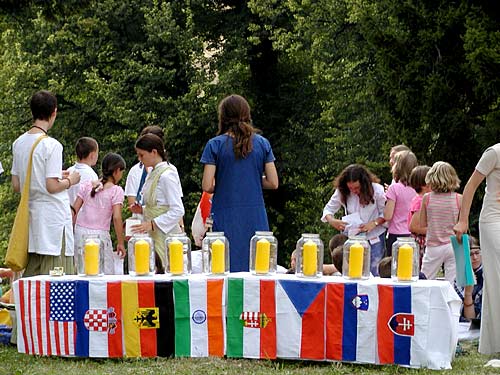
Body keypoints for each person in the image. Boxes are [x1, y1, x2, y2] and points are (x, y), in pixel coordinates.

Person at [201, 94, 279, 272]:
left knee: (224, 266)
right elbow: (273, 182)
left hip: (225, 213)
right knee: (257, 266)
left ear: (223, 117)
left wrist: (224, 182)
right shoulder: (262, 143)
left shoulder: (214, 145)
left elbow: (207, 185)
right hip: (255, 214)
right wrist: (251, 179)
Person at [11, 90, 80, 277]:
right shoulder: (52, 145)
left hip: (32, 217)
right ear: (54, 112)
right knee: (57, 278)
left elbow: (17, 184)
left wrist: (54, 176)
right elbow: (51, 187)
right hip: (53, 219)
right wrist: (69, 180)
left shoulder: (18, 143)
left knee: (33, 277)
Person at [453, 144, 500, 354]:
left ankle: (493, 342)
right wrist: (462, 221)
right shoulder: (494, 153)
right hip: (493, 220)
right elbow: (471, 186)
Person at [322, 164, 386, 276]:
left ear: (364, 183)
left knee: (374, 270)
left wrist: (374, 223)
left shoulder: (377, 190)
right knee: (352, 270)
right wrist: (332, 221)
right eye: (350, 188)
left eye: (357, 188)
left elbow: (386, 213)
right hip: (352, 237)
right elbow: (328, 210)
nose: (354, 191)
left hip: (374, 236)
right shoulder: (342, 191)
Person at [131, 134, 185, 267]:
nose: (140, 159)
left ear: (154, 152)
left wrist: (153, 224)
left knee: (168, 267)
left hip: (166, 234)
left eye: (142, 155)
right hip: (155, 233)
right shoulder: (152, 173)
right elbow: (159, 205)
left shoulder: (167, 175)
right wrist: (142, 210)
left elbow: (178, 210)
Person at [73, 153, 126, 275]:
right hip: (100, 235)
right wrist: (121, 242)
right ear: (117, 171)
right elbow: (117, 217)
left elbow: (74, 209)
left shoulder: (87, 185)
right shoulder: (116, 191)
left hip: (80, 232)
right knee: (104, 271)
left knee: (83, 270)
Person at [420, 161, 461, 282]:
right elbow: (462, 224)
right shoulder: (459, 198)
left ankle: (424, 301)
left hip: (433, 245)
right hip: (453, 244)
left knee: (426, 280)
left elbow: (423, 223)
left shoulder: (427, 198)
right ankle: (451, 301)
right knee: (452, 282)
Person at [384, 150, 418, 255]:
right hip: (413, 235)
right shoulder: (419, 189)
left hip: (396, 235)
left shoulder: (394, 188)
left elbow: (388, 216)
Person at [453, 236, 483, 322]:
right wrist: (468, 294)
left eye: (477, 253)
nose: (475, 258)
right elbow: (469, 320)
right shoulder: (458, 279)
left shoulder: (487, 276)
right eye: (470, 254)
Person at [408, 165, 431, 268]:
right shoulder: (421, 201)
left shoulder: (419, 199)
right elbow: (413, 226)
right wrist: (434, 230)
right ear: (425, 185)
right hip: (420, 241)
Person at [67, 137, 99, 207]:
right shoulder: (91, 175)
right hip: (84, 215)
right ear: (92, 155)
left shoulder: (69, 171)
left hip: (68, 214)